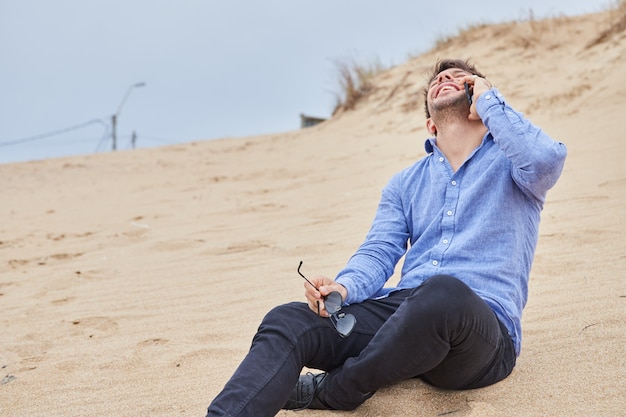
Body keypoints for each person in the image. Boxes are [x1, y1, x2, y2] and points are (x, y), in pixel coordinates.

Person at [205, 58, 567, 416]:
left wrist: (488, 99)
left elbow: (547, 159)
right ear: (430, 123)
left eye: (462, 79)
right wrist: (342, 289)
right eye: (438, 79)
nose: (445, 78)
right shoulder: (404, 183)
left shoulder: (516, 166)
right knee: (287, 320)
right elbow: (379, 252)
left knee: (442, 293)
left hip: (479, 334)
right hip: (404, 318)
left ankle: (337, 389)